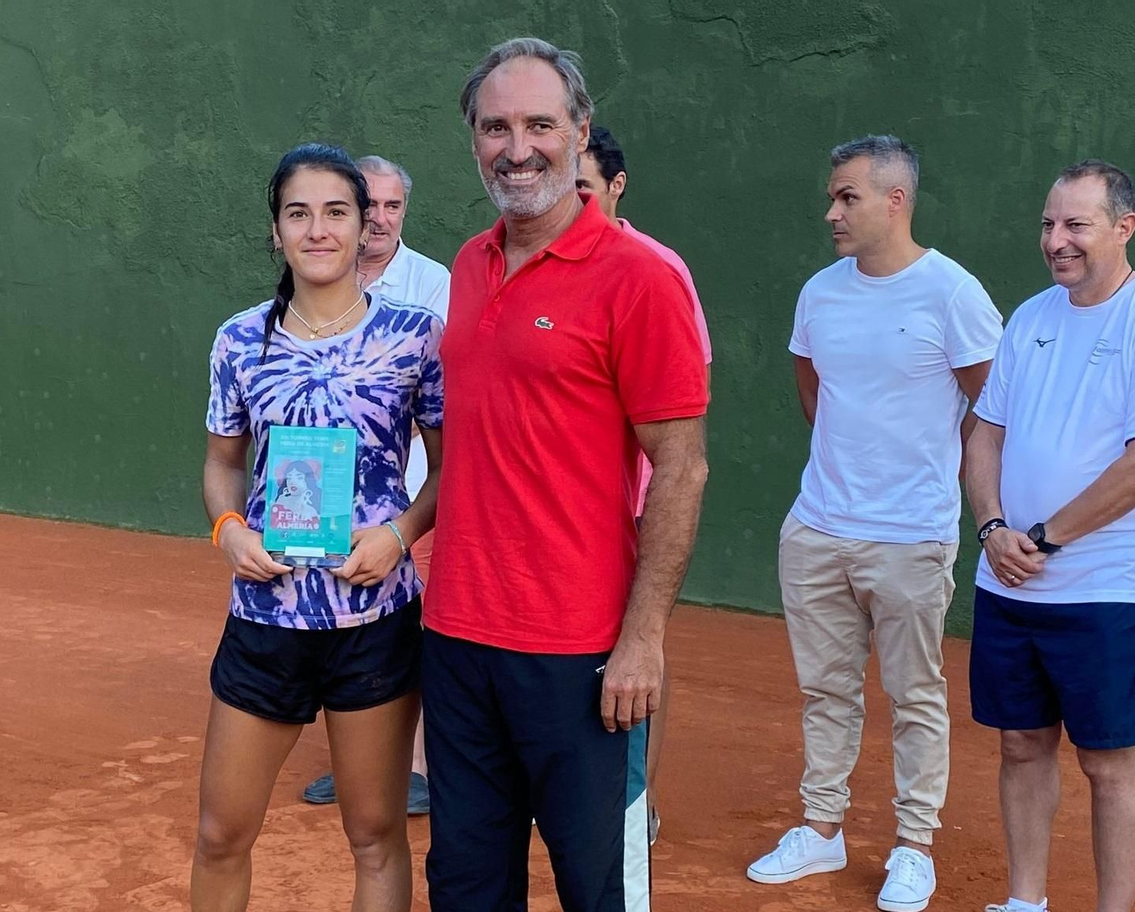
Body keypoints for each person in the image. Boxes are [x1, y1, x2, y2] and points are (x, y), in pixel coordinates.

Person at [423, 37, 709, 912]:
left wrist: (643, 639)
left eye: (540, 125)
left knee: (599, 890)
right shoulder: (468, 265)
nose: (518, 149)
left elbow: (681, 468)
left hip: (581, 652)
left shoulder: (642, 278)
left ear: (580, 132)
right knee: (467, 886)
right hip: (458, 638)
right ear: (474, 139)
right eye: (495, 127)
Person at [746, 135, 1003, 912]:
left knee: (914, 694)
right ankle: (822, 828)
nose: (832, 211)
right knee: (825, 691)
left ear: (895, 202)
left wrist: (926, 476)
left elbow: (992, 410)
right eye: (832, 196)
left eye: (847, 197)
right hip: (817, 529)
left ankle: (914, 846)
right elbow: (814, 392)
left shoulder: (953, 294)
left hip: (912, 537)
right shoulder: (820, 293)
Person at [192, 141, 445, 912]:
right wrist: (229, 530)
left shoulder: (417, 335)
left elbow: (452, 468)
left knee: (375, 834)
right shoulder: (241, 340)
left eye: (336, 212)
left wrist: (399, 535)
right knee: (220, 834)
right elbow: (222, 463)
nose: (318, 229)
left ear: (365, 226)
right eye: (298, 213)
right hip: (265, 618)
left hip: (375, 620)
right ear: (276, 231)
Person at [965, 160, 1135, 912]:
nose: (1056, 240)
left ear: (1124, 227)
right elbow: (984, 435)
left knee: (1108, 761)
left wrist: (1042, 539)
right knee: (1020, 744)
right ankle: (1025, 902)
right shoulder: (1031, 317)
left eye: (1076, 224)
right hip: (1008, 580)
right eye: (1048, 224)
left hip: (1107, 586)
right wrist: (993, 528)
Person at [575, 122, 713, 846]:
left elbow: (681, 412)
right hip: (567, 520)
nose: (570, 202)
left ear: (616, 187)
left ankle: (640, 802)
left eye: (584, 188)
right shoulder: (519, 261)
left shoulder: (656, 270)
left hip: (631, 514)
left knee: (638, 651)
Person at [302, 153, 451, 814]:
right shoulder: (318, 275)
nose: (383, 219)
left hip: (412, 495)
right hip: (325, 491)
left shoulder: (433, 284)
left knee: (408, 625)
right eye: (373, 206)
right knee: (342, 620)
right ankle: (358, 761)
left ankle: (413, 766)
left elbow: (436, 398)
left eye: (395, 206)